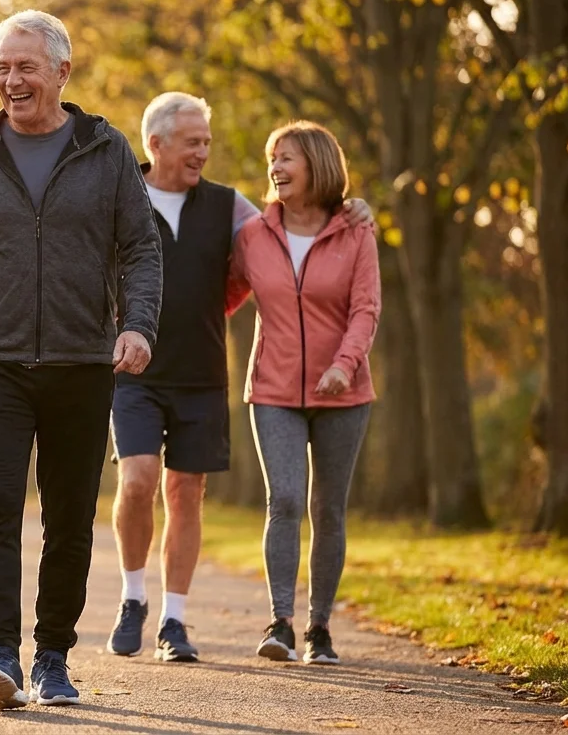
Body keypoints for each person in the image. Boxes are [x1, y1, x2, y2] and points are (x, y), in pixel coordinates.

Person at [0, 10, 163, 710]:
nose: (12, 81)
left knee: (69, 515)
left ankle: (53, 656)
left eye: (26, 67)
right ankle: (0, 654)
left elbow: (141, 247)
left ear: (62, 71)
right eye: (2, 67)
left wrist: (138, 326)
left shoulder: (105, 150)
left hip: (81, 359)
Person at [107, 94, 373, 663]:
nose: (204, 152)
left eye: (207, 141)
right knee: (138, 481)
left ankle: (173, 621)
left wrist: (352, 207)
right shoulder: (119, 195)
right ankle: (132, 596)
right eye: (193, 142)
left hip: (202, 373)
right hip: (134, 371)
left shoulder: (230, 207)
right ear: (156, 144)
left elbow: (285, 232)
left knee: (186, 491)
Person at [226, 120, 380, 666]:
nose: (275, 167)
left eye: (286, 157)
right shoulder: (253, 235)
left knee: (328, 510)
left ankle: (320, 628)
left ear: (318, 164)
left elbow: (366, 309)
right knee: (286, 500)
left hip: (344, 392)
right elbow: (223, 296)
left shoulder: (356, 231)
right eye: (272, 158)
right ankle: (280, 623)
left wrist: (344, 364)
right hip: (273, 388)